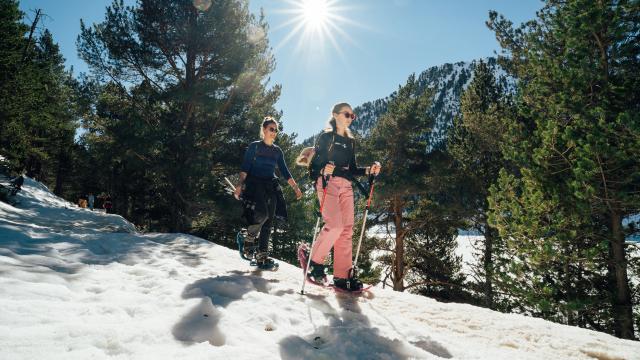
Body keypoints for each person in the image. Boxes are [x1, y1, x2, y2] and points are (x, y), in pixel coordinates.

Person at [306, 102, 381, 291]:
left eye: (352, 116)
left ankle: (341, 276)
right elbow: (313, 166)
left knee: (346, 230)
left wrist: (369, 170)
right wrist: (323, 168)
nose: (350, 118)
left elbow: (353, 169)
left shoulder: (350, 141)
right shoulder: (326, 137)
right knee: (335, 225)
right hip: (328, 183)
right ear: (335, 114)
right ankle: (314, 261)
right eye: (347, 114)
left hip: (346, 186)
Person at [234, 117, 303, 267]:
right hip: (254, 183)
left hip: (270, 185)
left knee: (269, 220)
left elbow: (285, 171)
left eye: (276, 130)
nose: (274, 132)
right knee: (262, 214)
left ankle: (262, 255)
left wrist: (295, 187)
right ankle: (249, 236)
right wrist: (239, 185)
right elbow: (245, 167)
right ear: (264, 130)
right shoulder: (255, 146)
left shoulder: (277, 151)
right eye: (271, 129)